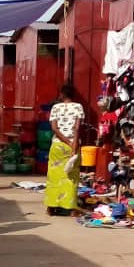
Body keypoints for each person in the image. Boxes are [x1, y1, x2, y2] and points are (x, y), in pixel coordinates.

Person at [44, 84, 85, 216]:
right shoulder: (78, 107)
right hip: (72, 145)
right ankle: (71, 208)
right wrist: (72, 145)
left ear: (61, 95)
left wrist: (65, 141)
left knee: (54, 176)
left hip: (57, 145)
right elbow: (77, 128)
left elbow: (54, 128)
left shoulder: (55, 107)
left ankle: (51, 207)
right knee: (71, 176)